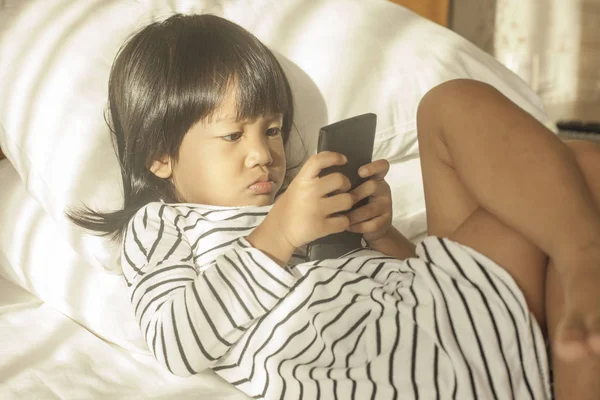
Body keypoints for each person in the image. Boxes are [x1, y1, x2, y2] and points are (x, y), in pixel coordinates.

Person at [69, 13, 600, 400]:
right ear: (160, 158)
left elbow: (397, 278)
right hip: (397, 365)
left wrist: (381, 234)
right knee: (576, 175)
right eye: (232, 135)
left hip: (441, 302)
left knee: (468, 111)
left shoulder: (302, 190)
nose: (262, 154)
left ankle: (583, 269)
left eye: (272, 130)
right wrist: (276, 237)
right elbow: (177, 344)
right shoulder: (161, 226)